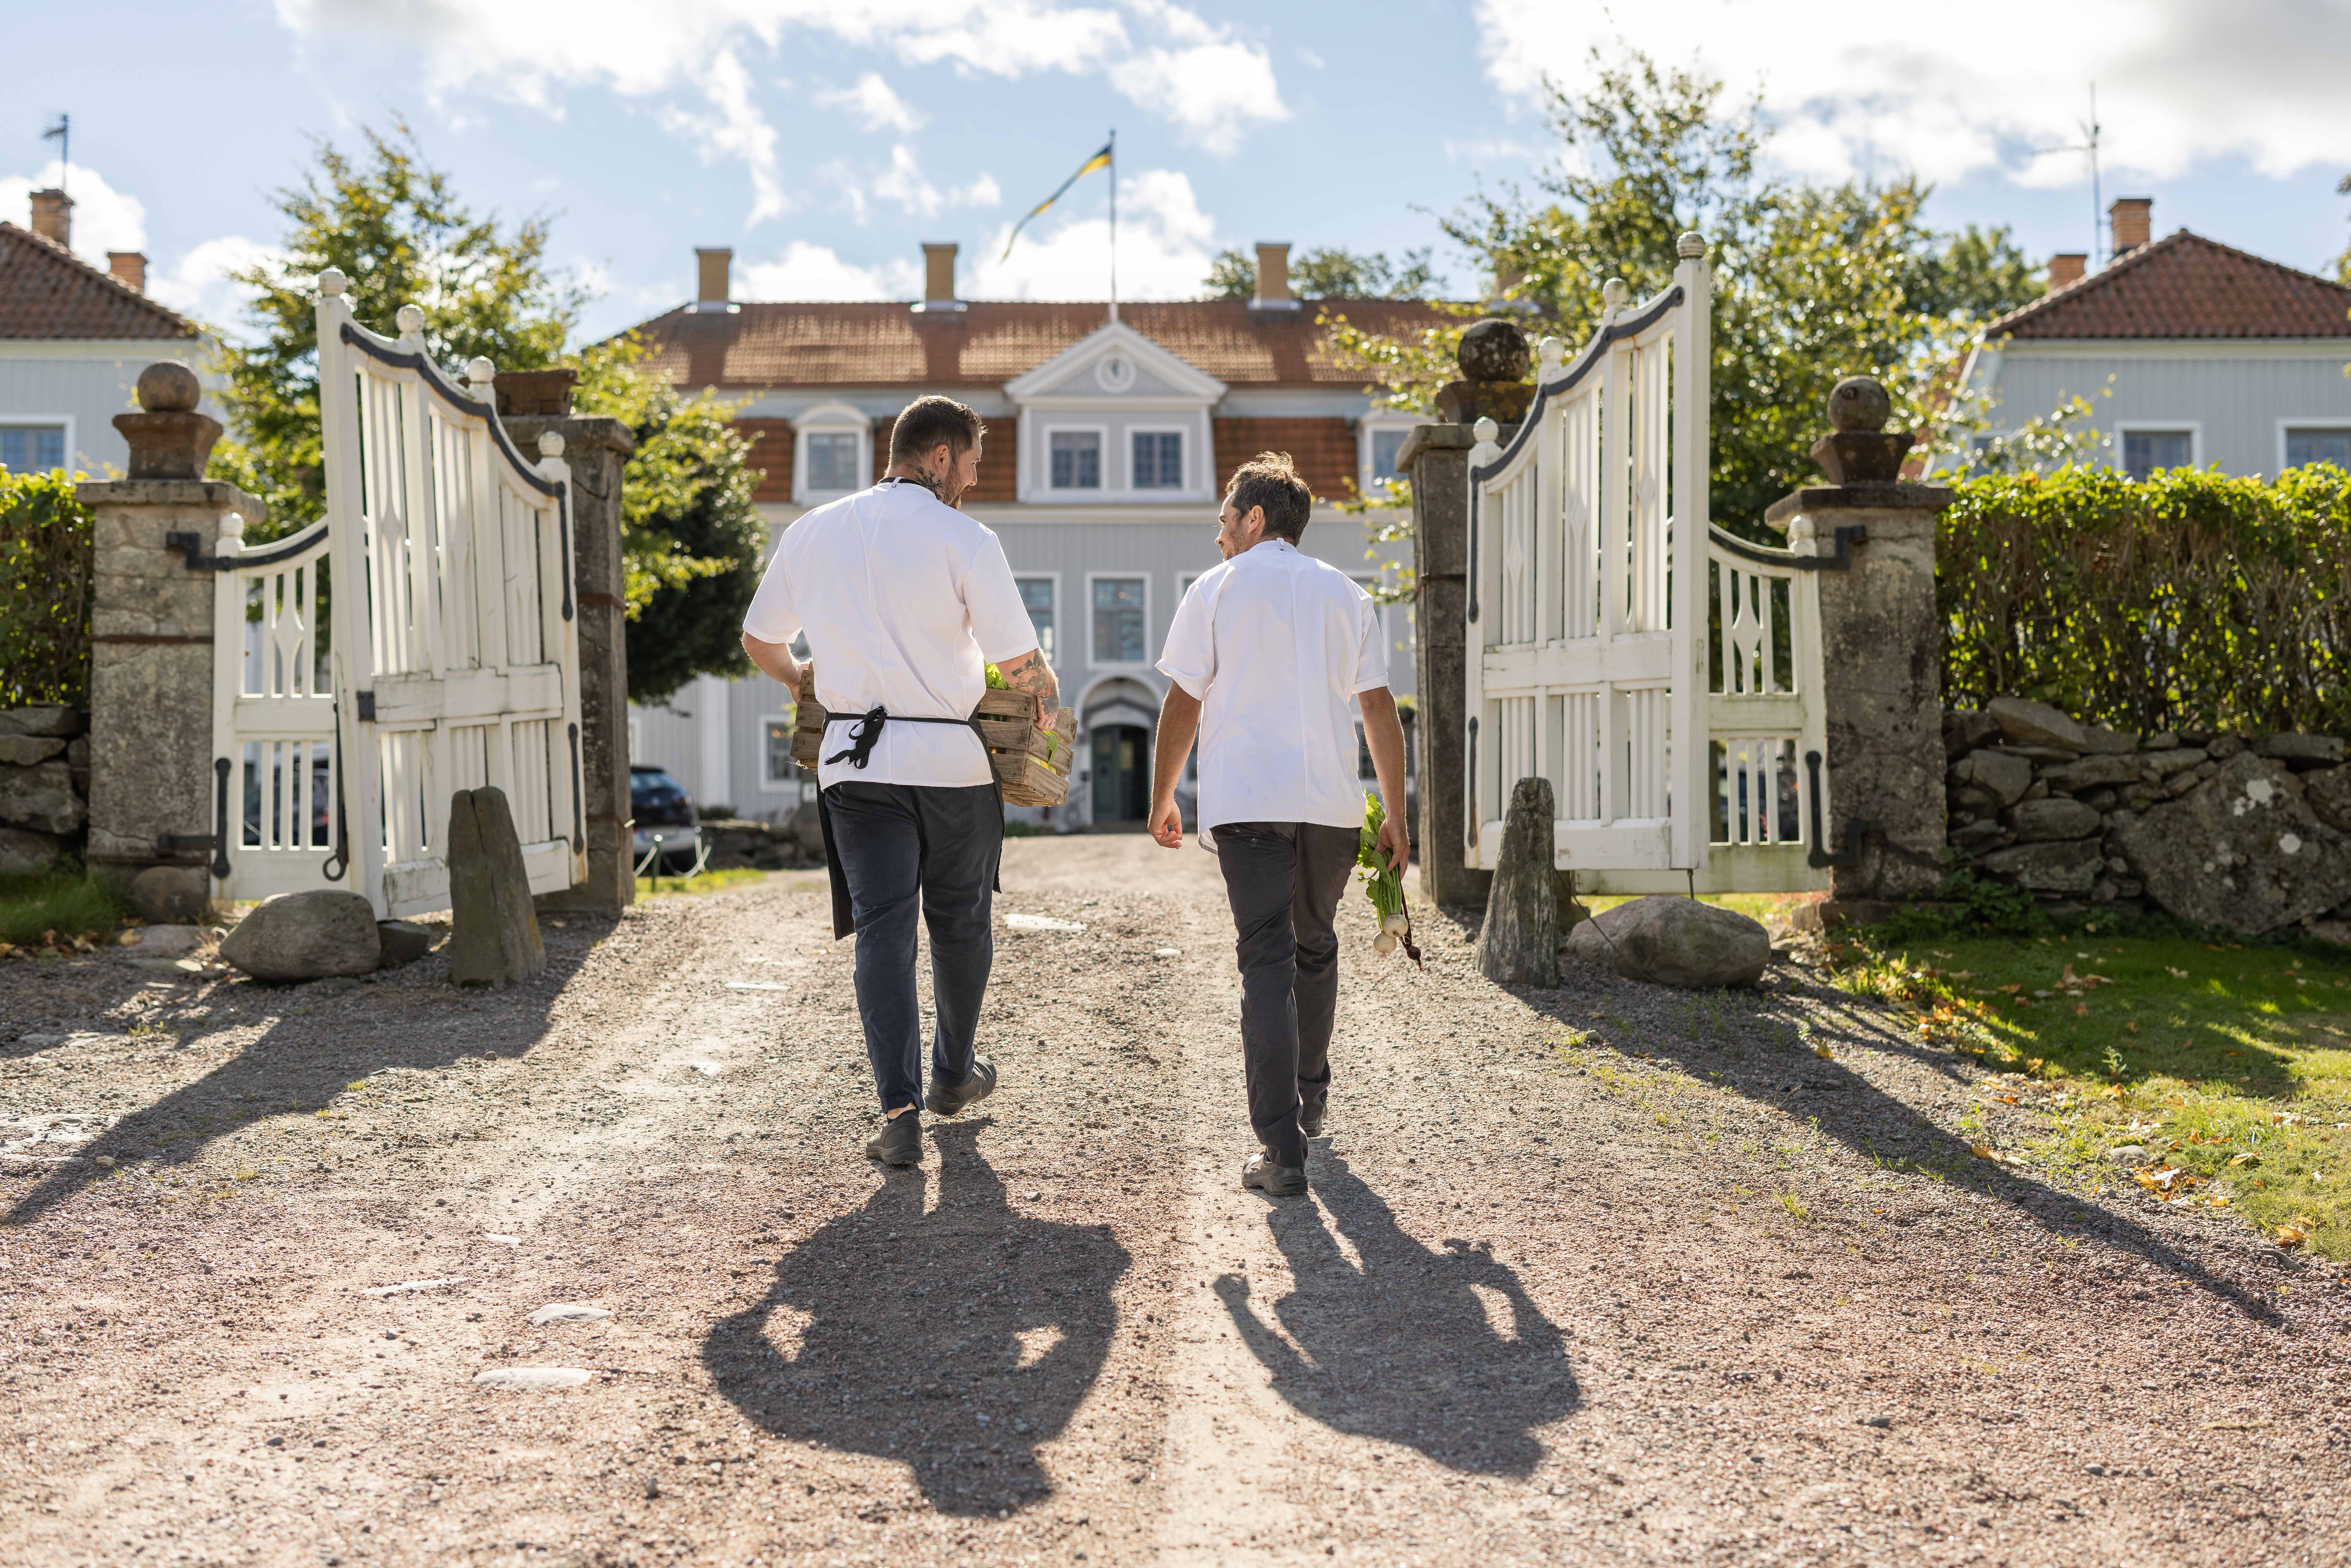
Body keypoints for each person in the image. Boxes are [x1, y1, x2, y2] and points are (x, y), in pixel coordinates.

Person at [741, 395, 1061, 1168]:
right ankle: (952, 1073)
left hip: (853, 765)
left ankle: (899, 1111)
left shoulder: (811, 531)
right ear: (942, 457)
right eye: (973, 467)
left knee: (883, 929)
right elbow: (1019, 666)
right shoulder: (965, 539)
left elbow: (759, 638)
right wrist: (1046, 708)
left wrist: (798, 679)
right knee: (962, 923)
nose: (973, 485)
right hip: (951, 763)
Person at [1147, 452, 1411, 1197]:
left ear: (1255, 519)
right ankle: (1311, 1091)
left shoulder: (1216, 590)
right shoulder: (1345, 593)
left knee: (1266, 961)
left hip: (1249, 805)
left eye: (1226, 516)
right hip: (1329, 807)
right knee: (1315, 945)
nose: (1218, 530)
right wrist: (1394, 814)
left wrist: (1164, 794)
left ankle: (1280, 1148)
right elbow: (1378, 707)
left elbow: (1184, 702)